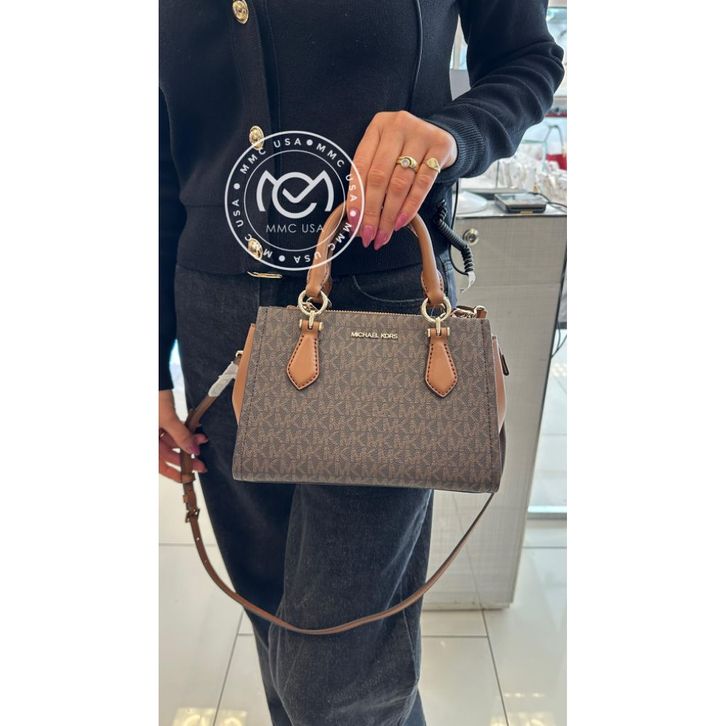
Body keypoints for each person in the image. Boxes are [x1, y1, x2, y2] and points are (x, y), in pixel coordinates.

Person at [159, 1, 564, 724]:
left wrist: (452, 133)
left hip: (384, 316)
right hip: (216, 315)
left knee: (339, 677)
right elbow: (158, 156)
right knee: (275, 624)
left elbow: (528, 60)